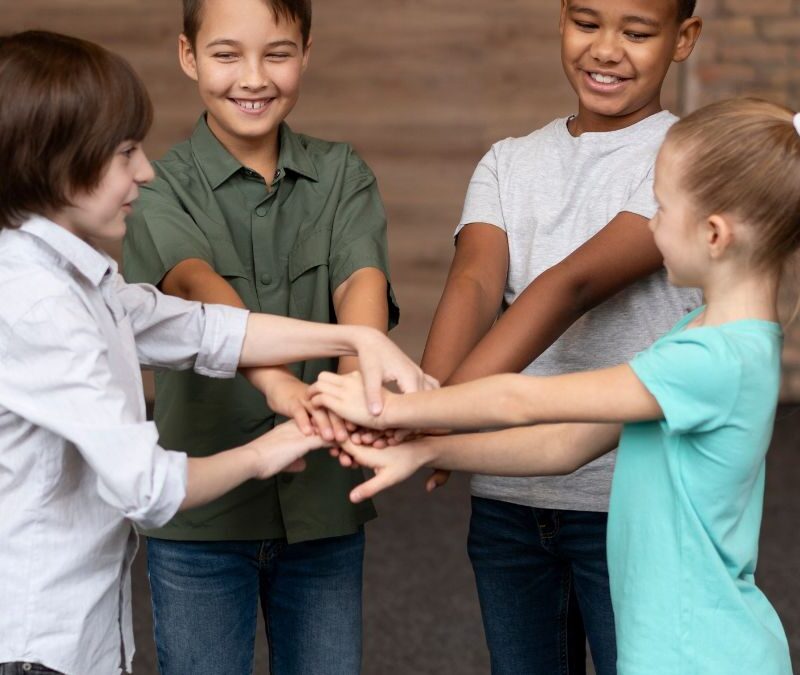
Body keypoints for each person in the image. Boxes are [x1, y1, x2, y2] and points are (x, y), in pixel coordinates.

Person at [311, 97, 799, 675]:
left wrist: (390, 410)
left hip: (699, 657)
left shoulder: (713, 360)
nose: (652, 224)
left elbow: (521, 399)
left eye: (662, 209)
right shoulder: (703, 334)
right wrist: (427, 450)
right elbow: (564, 444)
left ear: (714, 234)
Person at [0, 30, 425, 675]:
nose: (144, 170)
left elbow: (205, 329)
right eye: (125, 152)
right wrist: (269, 449)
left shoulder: (80, 282)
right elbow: (148, 486)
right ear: (56, 162)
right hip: (36, 649)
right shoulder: (38, 302)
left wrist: (355, 338)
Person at [121, 0, 408, 672]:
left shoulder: (342, 172)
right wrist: (279, 384)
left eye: (277, 53)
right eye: (227, 54)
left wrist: (352, 387)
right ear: (188, 56)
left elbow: (360, 283)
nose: (253, 77)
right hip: (201, 514)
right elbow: (195, 286)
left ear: (306, 52)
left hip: (322, 502)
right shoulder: (157, 186)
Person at [416, 0, 702, 670]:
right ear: (562, 19)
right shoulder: (507, 161)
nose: (606, 49)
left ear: (683, 38)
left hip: (633, 504)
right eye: (587, 23)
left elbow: (570, 287)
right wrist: (427, 400)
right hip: (511, 499)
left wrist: (435, 416)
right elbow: (473, 284)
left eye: (636, 32)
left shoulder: (690, 160)